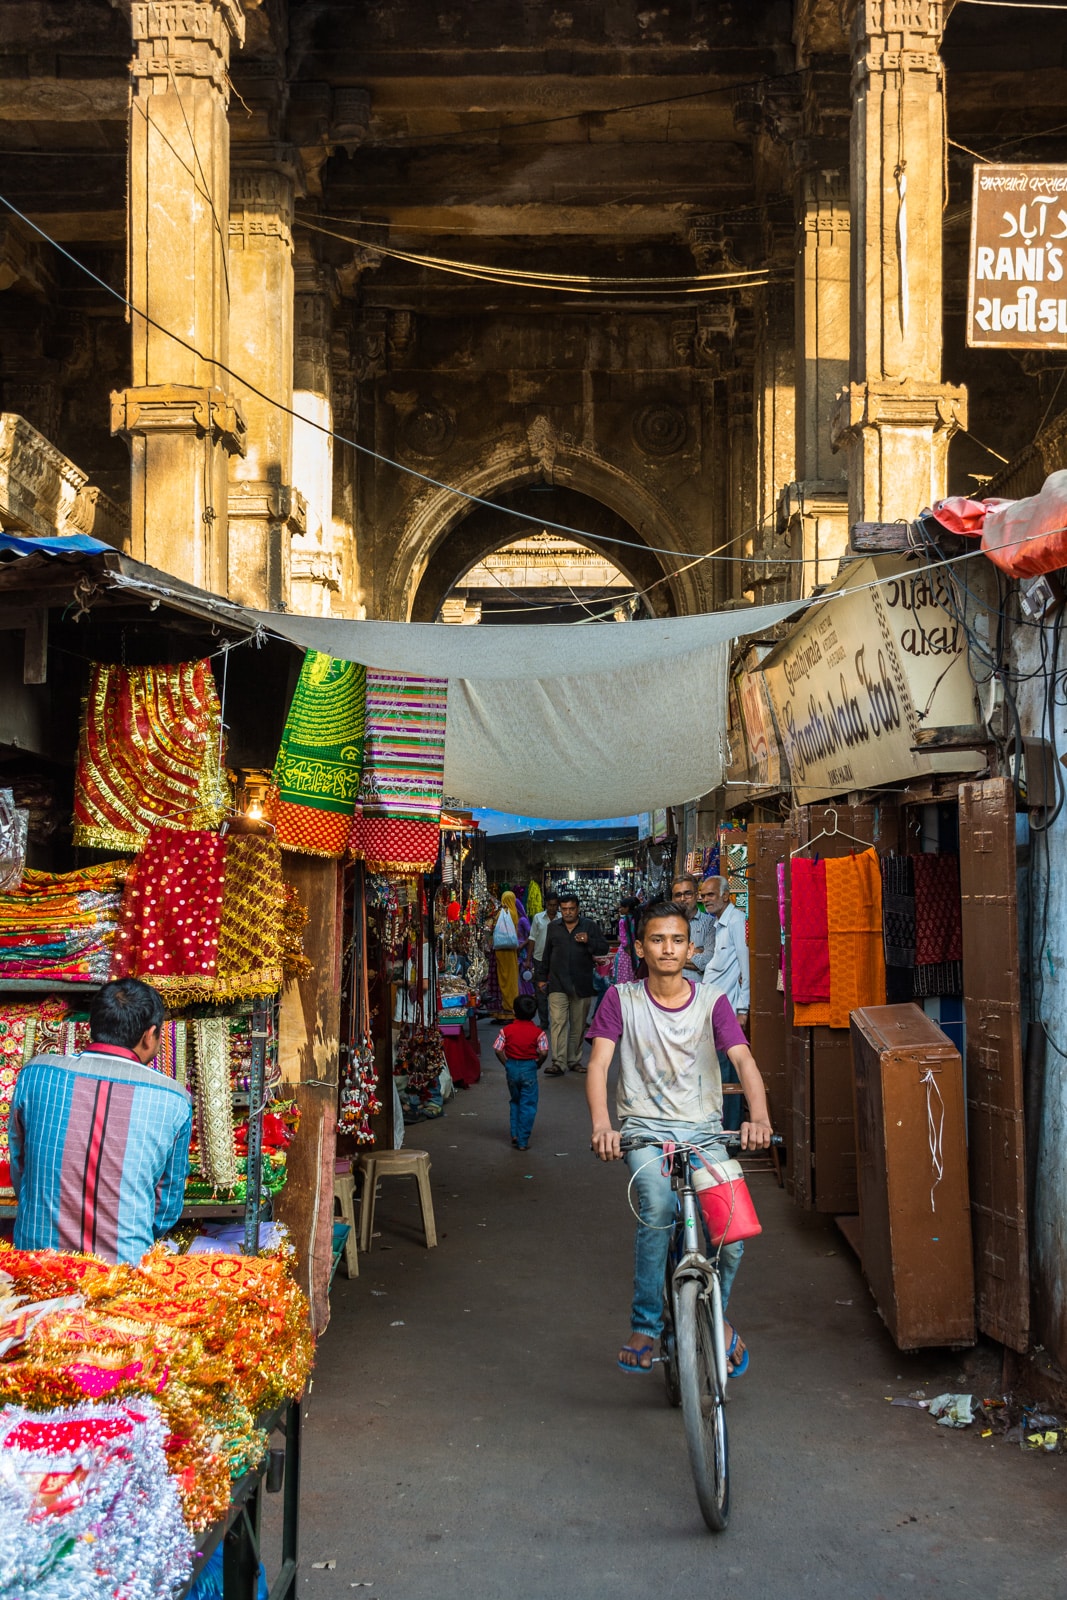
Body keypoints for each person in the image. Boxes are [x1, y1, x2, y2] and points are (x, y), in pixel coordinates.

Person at [585, 900, 772, 1376]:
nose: (667, 948)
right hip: (644, 1132)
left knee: (732, 1236)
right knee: (659, 1208)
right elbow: (600, 1064)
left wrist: (760, 1118)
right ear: (640, 948)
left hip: (704, 1132)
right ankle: (646, 1325)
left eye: (676, 940)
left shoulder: (713, 1001)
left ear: (691, 948)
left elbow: (744, 1061)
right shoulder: (620, 999)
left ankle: (715, 1313)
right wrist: (603, 1126)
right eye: (656, 939)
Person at [9, 976, 192, 1265]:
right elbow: (166, 1206)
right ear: (150, 1034)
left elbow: (20, 1167)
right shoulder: (173, 1099)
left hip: (37, 1268)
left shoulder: (36, 1074)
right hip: (122, 1276)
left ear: (93, 1024)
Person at [534, 891, 609, 1076]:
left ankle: (574, 1060)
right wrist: (542, 977)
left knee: (577, 1025)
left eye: (571, 909)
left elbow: (603, 948)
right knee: (558, 1023)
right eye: (564, 909)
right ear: (560, 909)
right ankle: (558, 1062)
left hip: (581, 983)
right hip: (557, 983)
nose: (568, 912)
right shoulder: (554, 927)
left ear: (578, 909)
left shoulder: (589, 926)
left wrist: (588, 940)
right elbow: (547, 953)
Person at [700, 875, 751, 1133]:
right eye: (703, 895)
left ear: (725, 896)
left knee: (728, 1072)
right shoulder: (719, 924)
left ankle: (730, 1131)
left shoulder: (736, 920)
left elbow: (746, 966)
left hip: (729, 1011)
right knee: (719, 1070)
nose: (704, 899)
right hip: (715, 1010)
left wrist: (743, 1008)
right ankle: (722, 1126)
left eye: (710, 895)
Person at [493, 993, 549, 1150]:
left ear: (514, 1011)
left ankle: (515, 1133)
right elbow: (544, 1052)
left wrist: (507, 1064)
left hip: (512, 1068)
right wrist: (538, 1063)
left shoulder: (506, 1030)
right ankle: (523, 1140)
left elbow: (498, 1050)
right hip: (529, 1069)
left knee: (515, 1100)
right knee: (528, 1104)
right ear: (535, 1013)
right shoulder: (538, 1033)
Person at [670, 872, 716, 979]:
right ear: (672, 898)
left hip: (698, 992)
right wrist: (696, 951)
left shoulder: (710, 923)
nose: (682, 898)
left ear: (696, 895)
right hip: (670, 990)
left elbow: (707, 961)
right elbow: (659, 958)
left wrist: (673, 955)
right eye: (678, 895)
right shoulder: (666, 923)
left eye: (688, 894)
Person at [528, 892, 560, 1029]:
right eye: (549, 905)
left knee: (556, 991)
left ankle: (556, 1021)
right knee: (541, 993)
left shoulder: (562, 918)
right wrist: (528, 959)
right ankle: (543, 1021)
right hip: (540, 959)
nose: (552, 908)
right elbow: (532, 938)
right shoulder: (538, 918)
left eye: (554, 905)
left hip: (558, 960)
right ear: (545, 904)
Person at [493, 890, 524, 1020]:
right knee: (511, 977)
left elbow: (493, 927)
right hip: (511, 950)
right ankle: (512, 1006)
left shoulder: (501, 913)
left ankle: (505, 1008)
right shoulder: (514, 913)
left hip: (501, 950)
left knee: (502, 977)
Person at [613, 896, 640, 985]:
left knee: (623, 978)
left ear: (627, 908)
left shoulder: (623, 921)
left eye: (621, 907)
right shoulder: (638, 919)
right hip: (637, 951)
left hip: (626, 953)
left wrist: (629, 951)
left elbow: (623, 939)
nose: (619, 909)